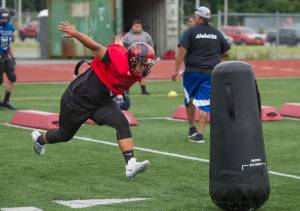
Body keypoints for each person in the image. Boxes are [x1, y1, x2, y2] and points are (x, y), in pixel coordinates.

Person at [31, 21, 155, 179]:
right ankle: (39, 139)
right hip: (77, 100)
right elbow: (95, 47)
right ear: (132, 60)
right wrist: (75, 34)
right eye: (142, 64)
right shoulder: (118, 59)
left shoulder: (131, 67)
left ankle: (130, 164)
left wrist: (120, 47)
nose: (144, 69)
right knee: (64, 135)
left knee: (122, 122)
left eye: (147, 65)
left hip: (100, 102)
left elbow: (123, 53)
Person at [171, 6, 230, 143]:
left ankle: (192, 127)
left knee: (189, 100)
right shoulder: (216, 33)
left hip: (192, 73)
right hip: (210, 72)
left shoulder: (190, 32)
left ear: (198, 17)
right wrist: (215, 57)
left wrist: (175, 70)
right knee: (205, 103)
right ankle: (200, 134)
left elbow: (181, 52)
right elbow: (225, 51)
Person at [123, 19, 154, 95]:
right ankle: (127, 90)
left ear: (141, 27)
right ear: (132, 27)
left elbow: (151, 46)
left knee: (142, 75)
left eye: (139, 26)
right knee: (129, 74)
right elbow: (123, 46)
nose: (137, 28)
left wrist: (152, 56)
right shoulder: (127, 36)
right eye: (136, 26)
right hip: (131, 58)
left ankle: (143, 90)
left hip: (143, 58)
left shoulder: (146, 35)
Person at [0, 8, 17, 110]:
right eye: (2, 18)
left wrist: (13, 56)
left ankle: (6, 100)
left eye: (5, 18)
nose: (4, 20)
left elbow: (8, 44)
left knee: (12, 77)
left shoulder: (10, 27)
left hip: (6, 55)